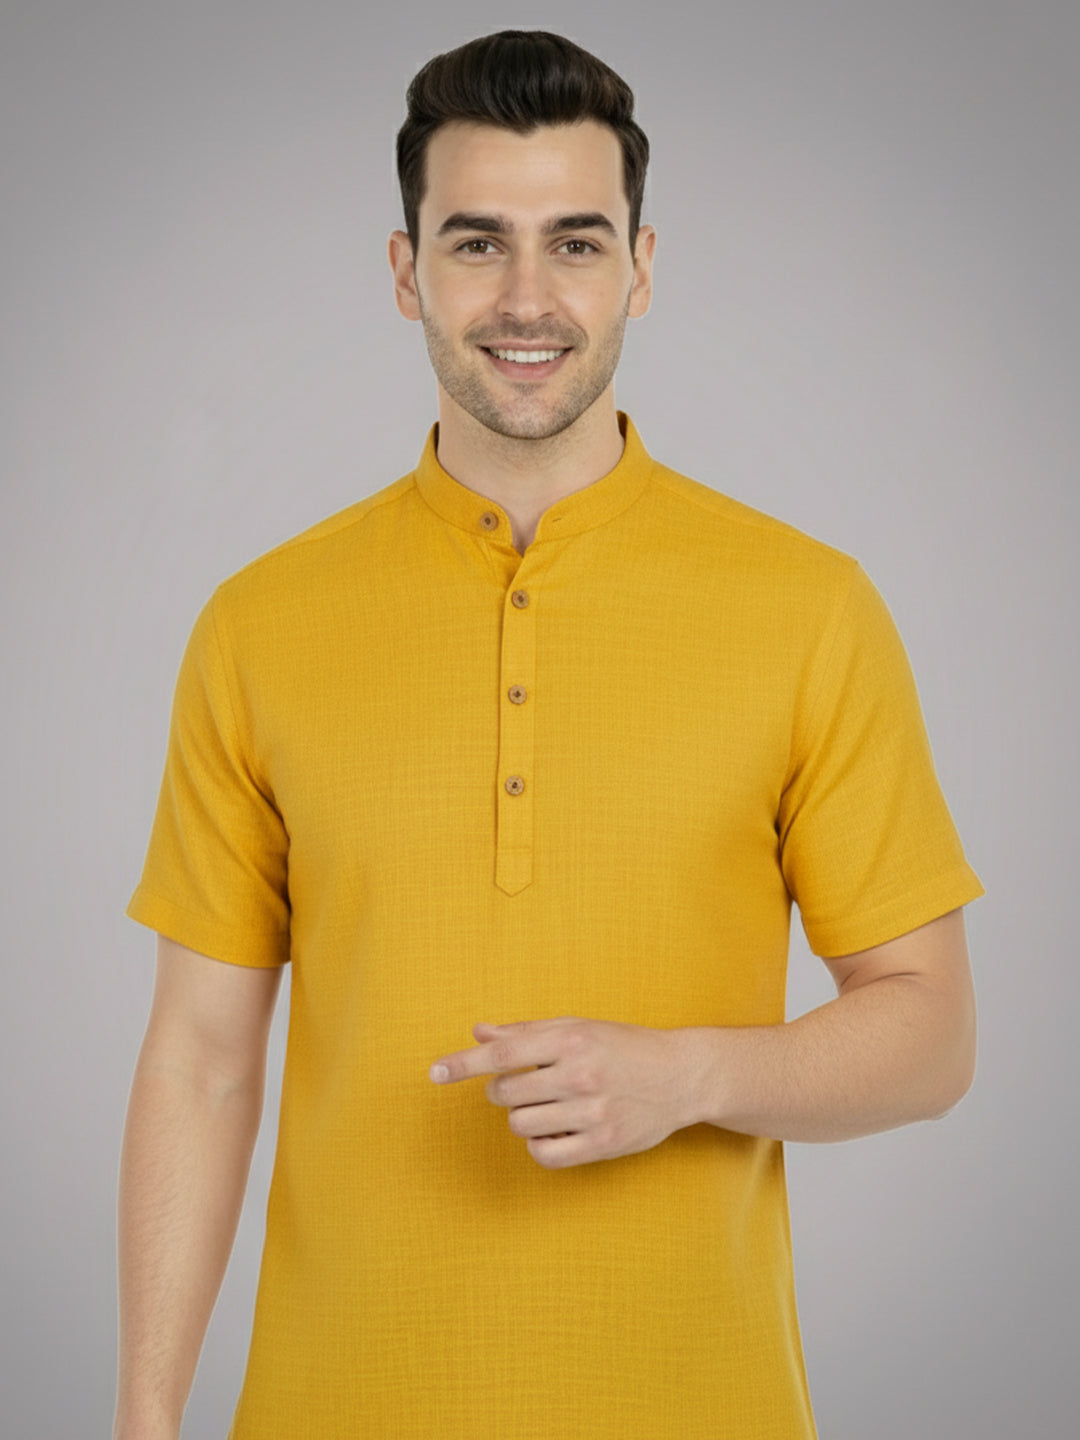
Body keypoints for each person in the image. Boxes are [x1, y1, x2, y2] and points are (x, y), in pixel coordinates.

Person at [114, 28, 984, 1440]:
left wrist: (689, 1077)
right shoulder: (259, 624)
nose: (528, 298)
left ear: (640, 267)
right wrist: (144, 1417)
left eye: (577, 243)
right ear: (407, 272)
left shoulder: (809, 609)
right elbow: (202, 1060)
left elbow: (932, 1033)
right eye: (478, 244)